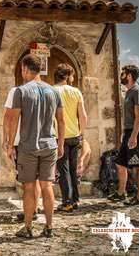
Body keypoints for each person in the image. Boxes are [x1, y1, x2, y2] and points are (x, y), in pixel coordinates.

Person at [4, 54, 65, 238]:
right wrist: (60, 144)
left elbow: (13, 120)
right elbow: (61, 121)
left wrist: (9, 144)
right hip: (50, 145)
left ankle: (28, 228)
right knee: (47, 186)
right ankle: (49, 227)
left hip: (28, 146)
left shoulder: (21, 91)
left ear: (25, 68)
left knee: (29, 188)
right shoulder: (54, 92)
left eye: (22, 69)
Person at [108, 65, 139, 205]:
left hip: (137, 132)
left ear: (129, 76)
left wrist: (134, 136)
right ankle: (121, 193)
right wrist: (125, 134)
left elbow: (138, 116)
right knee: (120, 163)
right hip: (129, 132)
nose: (121, 76)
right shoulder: (129, 92)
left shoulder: (138, 92)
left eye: (123, 74)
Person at [3, 87, 41, 221]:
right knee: (35, 179)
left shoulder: (14, 91)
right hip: (39, 142)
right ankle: (33, 209)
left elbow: (7, 117)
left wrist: (7, 141)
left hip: (22, 143)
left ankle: (29, 212)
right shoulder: (44, 91)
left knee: (26, 181)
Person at [53, 64, 88, 212]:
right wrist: (81, 133)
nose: (73, 78)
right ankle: (75, 200)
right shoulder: (76, 92)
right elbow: (83, 116)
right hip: (75, 135)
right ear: (67, 76)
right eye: (72, 75)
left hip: (59, 137)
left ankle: (67, 201)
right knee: (73, 169)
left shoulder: (52, 91)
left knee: (63, 169)